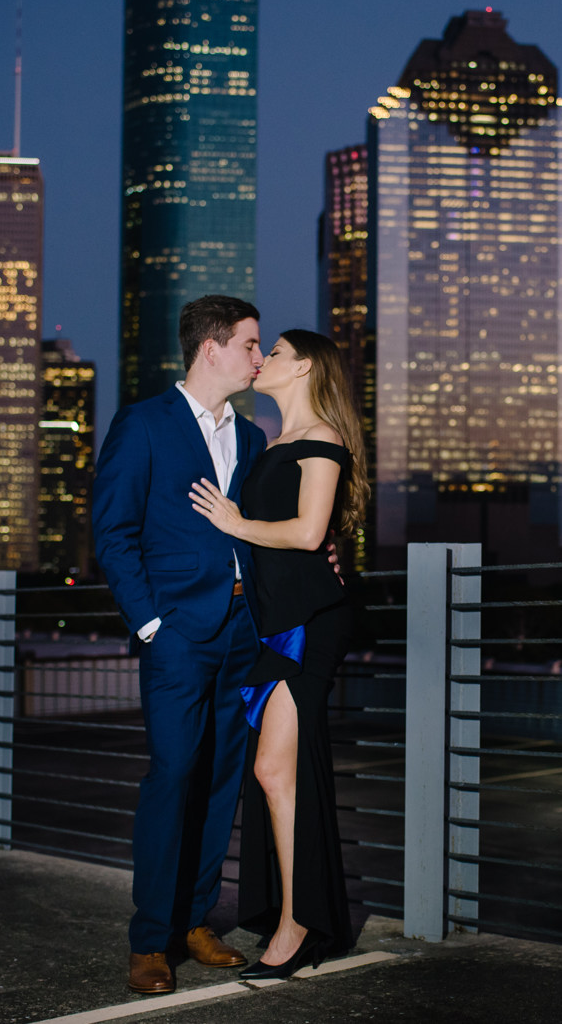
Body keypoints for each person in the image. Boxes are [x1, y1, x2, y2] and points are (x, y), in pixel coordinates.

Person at [92, 294, 265, 995]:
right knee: (171, 778)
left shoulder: (251, 438)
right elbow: (113, 531)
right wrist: (151, 624)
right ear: (211, 347)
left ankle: (197, 921)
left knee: (223, 782)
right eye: (251, 344)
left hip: (241, 630)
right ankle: (151, 938)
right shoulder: (144, 424)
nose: (259, 356)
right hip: (177, 637)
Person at [188, 328, 368, 980]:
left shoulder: (323, 438)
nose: (264, 360)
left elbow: (309, 531)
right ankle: (299, 915)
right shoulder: (273, 446)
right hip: (275, 624)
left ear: (306, 370)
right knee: (276, 774)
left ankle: (299, 923)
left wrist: (235, 522)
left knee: (270, 769)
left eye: (278, 353)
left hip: (310, 624)